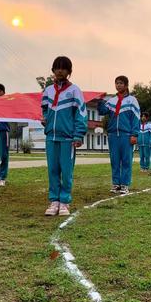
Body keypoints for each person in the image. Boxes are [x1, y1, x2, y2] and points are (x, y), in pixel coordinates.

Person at [42, 56, 87, 216]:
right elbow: (45, 110)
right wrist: (45, 121)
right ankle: (54, 201)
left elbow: (81, 114)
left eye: (63, 68)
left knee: (66, 171)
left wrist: (78, 135)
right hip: (51, 137)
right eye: (57, 67)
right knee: (53, 170)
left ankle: (65, 202)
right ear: (53, 70)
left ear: (69, 71)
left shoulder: (75, 91)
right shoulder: (48, 90)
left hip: (68, 138)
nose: (60, 71)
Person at [98, 75, 139, 194]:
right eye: (116, 83)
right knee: (114, 160)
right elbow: (102, 111)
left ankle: (125, 184)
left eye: (121, 83)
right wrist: (100, 100)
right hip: (112, 135)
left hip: (126, 135)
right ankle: (116, 183)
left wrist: (134, 134)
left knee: (126, 160)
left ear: (126, 85)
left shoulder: (132, 100)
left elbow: (135, 118)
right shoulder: (111, 100)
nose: (118, 85)